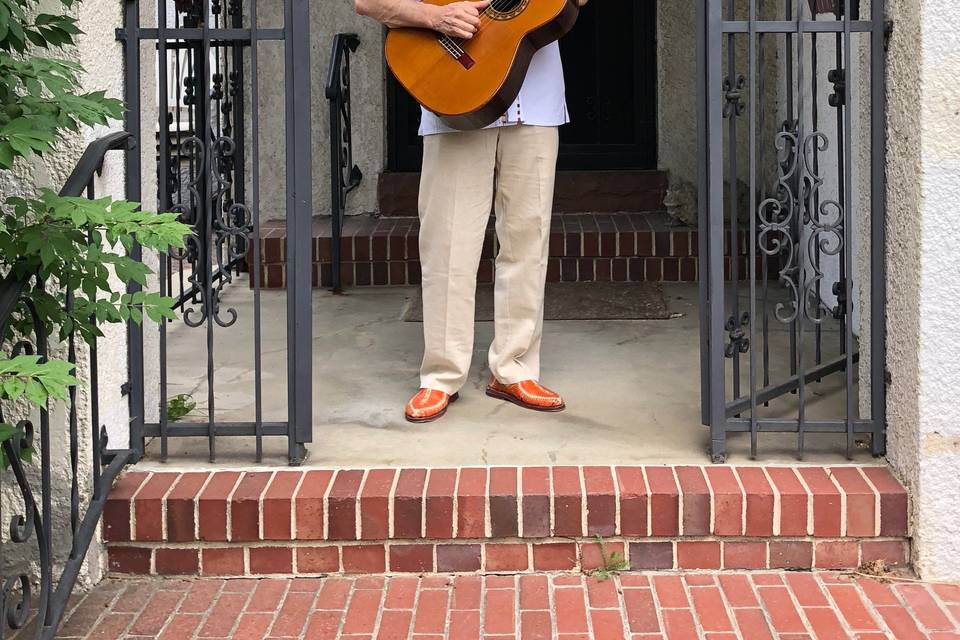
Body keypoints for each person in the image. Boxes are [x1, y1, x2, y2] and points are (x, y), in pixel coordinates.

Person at [355, 0, 588, 423]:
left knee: (527, 241)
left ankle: (514, 368)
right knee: (449, 244)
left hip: (534, 103)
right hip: (455, 92)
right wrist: (434, 17)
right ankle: (441, 377)